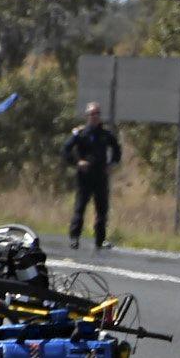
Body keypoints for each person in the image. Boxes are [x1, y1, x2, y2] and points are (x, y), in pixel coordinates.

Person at [62, 102, 121, 251]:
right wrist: (77, 162)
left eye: (97, 114)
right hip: (85, 177)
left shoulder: (105, 134)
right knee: (80, 208)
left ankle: (100, 240)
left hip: (100, 176)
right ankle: (75, 238)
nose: (94, 117)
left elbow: (116, 149)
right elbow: (66, 150)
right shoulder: (81, 133)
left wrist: (112, 164)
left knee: (102, 210)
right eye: (91, 114)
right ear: (87, 116)